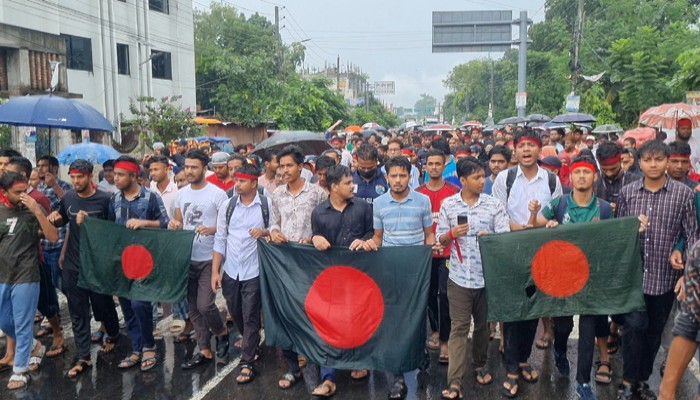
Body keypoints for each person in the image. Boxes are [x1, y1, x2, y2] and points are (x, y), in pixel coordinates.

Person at [528, 155, 637, 400]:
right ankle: (559, 349)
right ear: (571, 176)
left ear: (594, 177)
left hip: (592, 279)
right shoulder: (559, 204)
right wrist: (539, 219)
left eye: (587, 173)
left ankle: (583, 382)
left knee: (588, 331)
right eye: (577, 172)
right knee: (564, 327)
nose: (582, 177)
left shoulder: (605, 208)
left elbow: (611, 241)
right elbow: (533, 229)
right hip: (563, 279)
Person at [616, 140, 699, 400]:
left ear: (666, 161)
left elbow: (692, 235)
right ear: (639, 163)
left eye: (658, 159)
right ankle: (628, 382)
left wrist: (687, 273)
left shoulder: (683, 194)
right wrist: (632, 228)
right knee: (633, 327)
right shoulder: (628, 192)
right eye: (648, 160)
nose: (653, 165)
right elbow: (617, 234)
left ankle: (641, 379)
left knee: (653, 333)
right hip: (634, 278)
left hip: (664, 278)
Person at [492, 130, 563, 397]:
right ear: (514, 149)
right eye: (521, 146)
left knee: (533, 308)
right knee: (512, 310)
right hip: (512, 248)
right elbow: (498, 212)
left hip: (542, 251)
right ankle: (511, 367)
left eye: (531, 146)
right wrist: (520, 228)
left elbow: (556, 212)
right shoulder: (505, 178)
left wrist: (542, 225)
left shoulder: (551, 180)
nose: (525, 150)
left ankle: (523, 359)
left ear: (539, 150)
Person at [436, 157, 510, 399]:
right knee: (458, 328)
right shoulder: (448, 204)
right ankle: (455, 382)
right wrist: (450, 233)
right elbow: (440, 239)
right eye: (476, 177)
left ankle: (479, 364)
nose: (482, 181)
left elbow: (505, 237)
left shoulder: (494, 205)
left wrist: (492, 238)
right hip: (458, 278)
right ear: (462, 180)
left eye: (482, 176)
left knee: (481, 327)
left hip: (485, 279)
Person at [363, 156, 436, 400]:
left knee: (416, 317)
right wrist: (364, 246)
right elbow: (378, 238)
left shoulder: (423, 201)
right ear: (387, 176)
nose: (397, 180)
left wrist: (430, 254)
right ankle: (397, 378)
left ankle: (419, 353)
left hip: (417, 270)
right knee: (394, 320)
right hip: (390, 268)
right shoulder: (380, 203)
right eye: (393, 176)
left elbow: (428, 235)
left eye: (402, 175)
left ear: (410, 176)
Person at [46, 160, 122, 378]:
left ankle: (114, 333)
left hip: (97, 263)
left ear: (90, 176)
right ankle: (83, 355)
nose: (76, 181)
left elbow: (114, 232)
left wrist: (90, 222)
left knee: (102, 303)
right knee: (77, 310)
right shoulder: (68, 197)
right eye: (72, 177)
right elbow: (62, 220)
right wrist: (55, 218)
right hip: (73, 263)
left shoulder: (106, 199)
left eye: (80, 177)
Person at [309, 164, 374, 397]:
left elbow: (371, 233)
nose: (352, 186)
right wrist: (315, 237)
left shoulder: (363, 208)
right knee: (328, 325)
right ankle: (328, 377)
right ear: (334, 187)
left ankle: (358, 362)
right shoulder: (318, 213)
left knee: (358, 320)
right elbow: (315, 239)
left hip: (359, 277)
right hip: (331, 281)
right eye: (347, 183)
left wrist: (366, 241)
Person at [269, 145, 327, 390]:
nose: (284, 170)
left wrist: (314, 237)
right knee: (285, 312)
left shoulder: (317, 194)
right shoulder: (276, 194)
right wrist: (273, 233)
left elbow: (325, 224)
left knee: (311, 311)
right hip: (283, 261)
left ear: (301, 166)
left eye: (289, 165)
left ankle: (316, 359)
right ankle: (293, 367)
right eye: (280, 166)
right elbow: (273, 223)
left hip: (310, 262)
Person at [168, 149, 230, 369]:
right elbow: (178, 222)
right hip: (188, 258)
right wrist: (174, 225)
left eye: (194, 167)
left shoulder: (217, 195)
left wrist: (211, 229)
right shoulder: (181, 194)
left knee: (205, 305)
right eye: (187, 167)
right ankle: (204, 349)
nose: (190, 171)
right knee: (193, 307)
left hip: (209, 258)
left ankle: (221, 332)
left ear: (205, 168)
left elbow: (225, 228)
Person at [212, 163, 272, 385]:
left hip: (254, 270)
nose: (236, 184)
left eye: (242, 181)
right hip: (230, 270)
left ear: (254, 183)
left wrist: (265, 232)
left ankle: (247, 362)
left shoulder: (265, 204)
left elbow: (275, 229)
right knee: (235, 311)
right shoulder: (228, 206)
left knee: (250, 315)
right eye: (236, 180)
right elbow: (220, 239)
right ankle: (251, 342)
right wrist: (215, 272)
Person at [108, 156, 169, 372]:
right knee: (127, 307)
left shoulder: (151, 197)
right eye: (114, 174)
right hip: (123, 261)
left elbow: (165, 223)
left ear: (134, 176)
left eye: (121, 175)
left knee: (140, 304)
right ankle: (136, 348)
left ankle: (149, 346)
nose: (116, 179)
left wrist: (144, 223)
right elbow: (110, 227)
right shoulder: (114, 199)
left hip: (146, 261)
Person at [0, 172, 58, 390]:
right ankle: (34, 346)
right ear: (4, 192)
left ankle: (20, 369)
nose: (23, 195)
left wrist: (37, 210)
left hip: (27, 274)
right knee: (5, 322)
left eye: (25, 190)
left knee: (23, 324)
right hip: (3, 275)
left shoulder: (33, 208)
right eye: (17, 192)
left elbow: (52, 237)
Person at [5, 157, 63, 359]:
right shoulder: (4, 199)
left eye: (8, 171)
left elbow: (49, 232)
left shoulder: (38, 199)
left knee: (46, 302)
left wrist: (31, 227)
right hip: (7, 266)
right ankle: (12, 351)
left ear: (22, 175)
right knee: (10, 311)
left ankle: (57, 331)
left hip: (35, 259)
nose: (4, 173)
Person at [416, 149, 459, 364]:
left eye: (437, 164)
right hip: (425, 254)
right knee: (430, 295)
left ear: (444, 166)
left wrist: (445, 241)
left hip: (448, 253)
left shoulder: (454, 191)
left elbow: (459, 223)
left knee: (445, 295)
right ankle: (435, 330)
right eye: (430, 164)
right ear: (425, 166)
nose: (433, 167)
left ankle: (445, 340)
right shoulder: (417, 193)